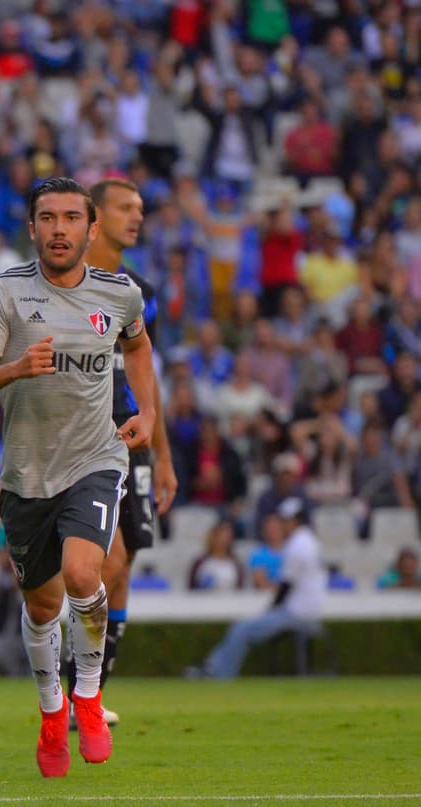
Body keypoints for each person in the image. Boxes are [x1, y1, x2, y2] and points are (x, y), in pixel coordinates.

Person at [0, 177, 158, 778]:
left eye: (73, 217)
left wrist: (146, 412)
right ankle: (51, 711)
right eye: (49, 217)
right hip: (26, 474)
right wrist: (17, 367)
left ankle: (88, 698)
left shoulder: (119, 294)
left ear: (90, 229)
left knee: (82, 572)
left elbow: (139, 347)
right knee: (42, 608)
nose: (60, 228)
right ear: (33, 228)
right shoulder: (6, 294)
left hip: (95, 459)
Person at [61, 178, 179, 726]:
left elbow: (146, 374)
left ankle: (94, 689)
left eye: (140, 207)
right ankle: (75, 690)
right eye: (125, 208)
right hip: (83, 440)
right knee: (103, 561)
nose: (137, 217)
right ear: (95, 217)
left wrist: (164, 455)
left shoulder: (139, 290)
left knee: (125, 564)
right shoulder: (61, 282)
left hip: (134, 439)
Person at [192, 497, 327, 679]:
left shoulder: (298, 545)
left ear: (295, 521)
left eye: (285, 521)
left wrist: (269, 611)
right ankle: (214, 668)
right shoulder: (309, 541)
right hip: (308, 611)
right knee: (244, 627)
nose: (283, 525)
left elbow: (286, 587)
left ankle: (218, 673)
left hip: (296, 613)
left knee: (242, 629)